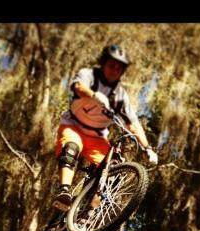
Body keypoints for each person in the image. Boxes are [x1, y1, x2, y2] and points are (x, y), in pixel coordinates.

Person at [52, 43, 158, 210]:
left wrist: (148, 148)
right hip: (73, 126)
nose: (114, 69)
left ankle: (91, 212)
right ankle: (64, 191)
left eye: (119, 68)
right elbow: (78, 87)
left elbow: (133, 123)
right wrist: (94, 95)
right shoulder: (89, 75)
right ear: (103, 63)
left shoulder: (120, 95)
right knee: (71, 148)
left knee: (113, 168)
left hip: (97, 136)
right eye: (111, 65)